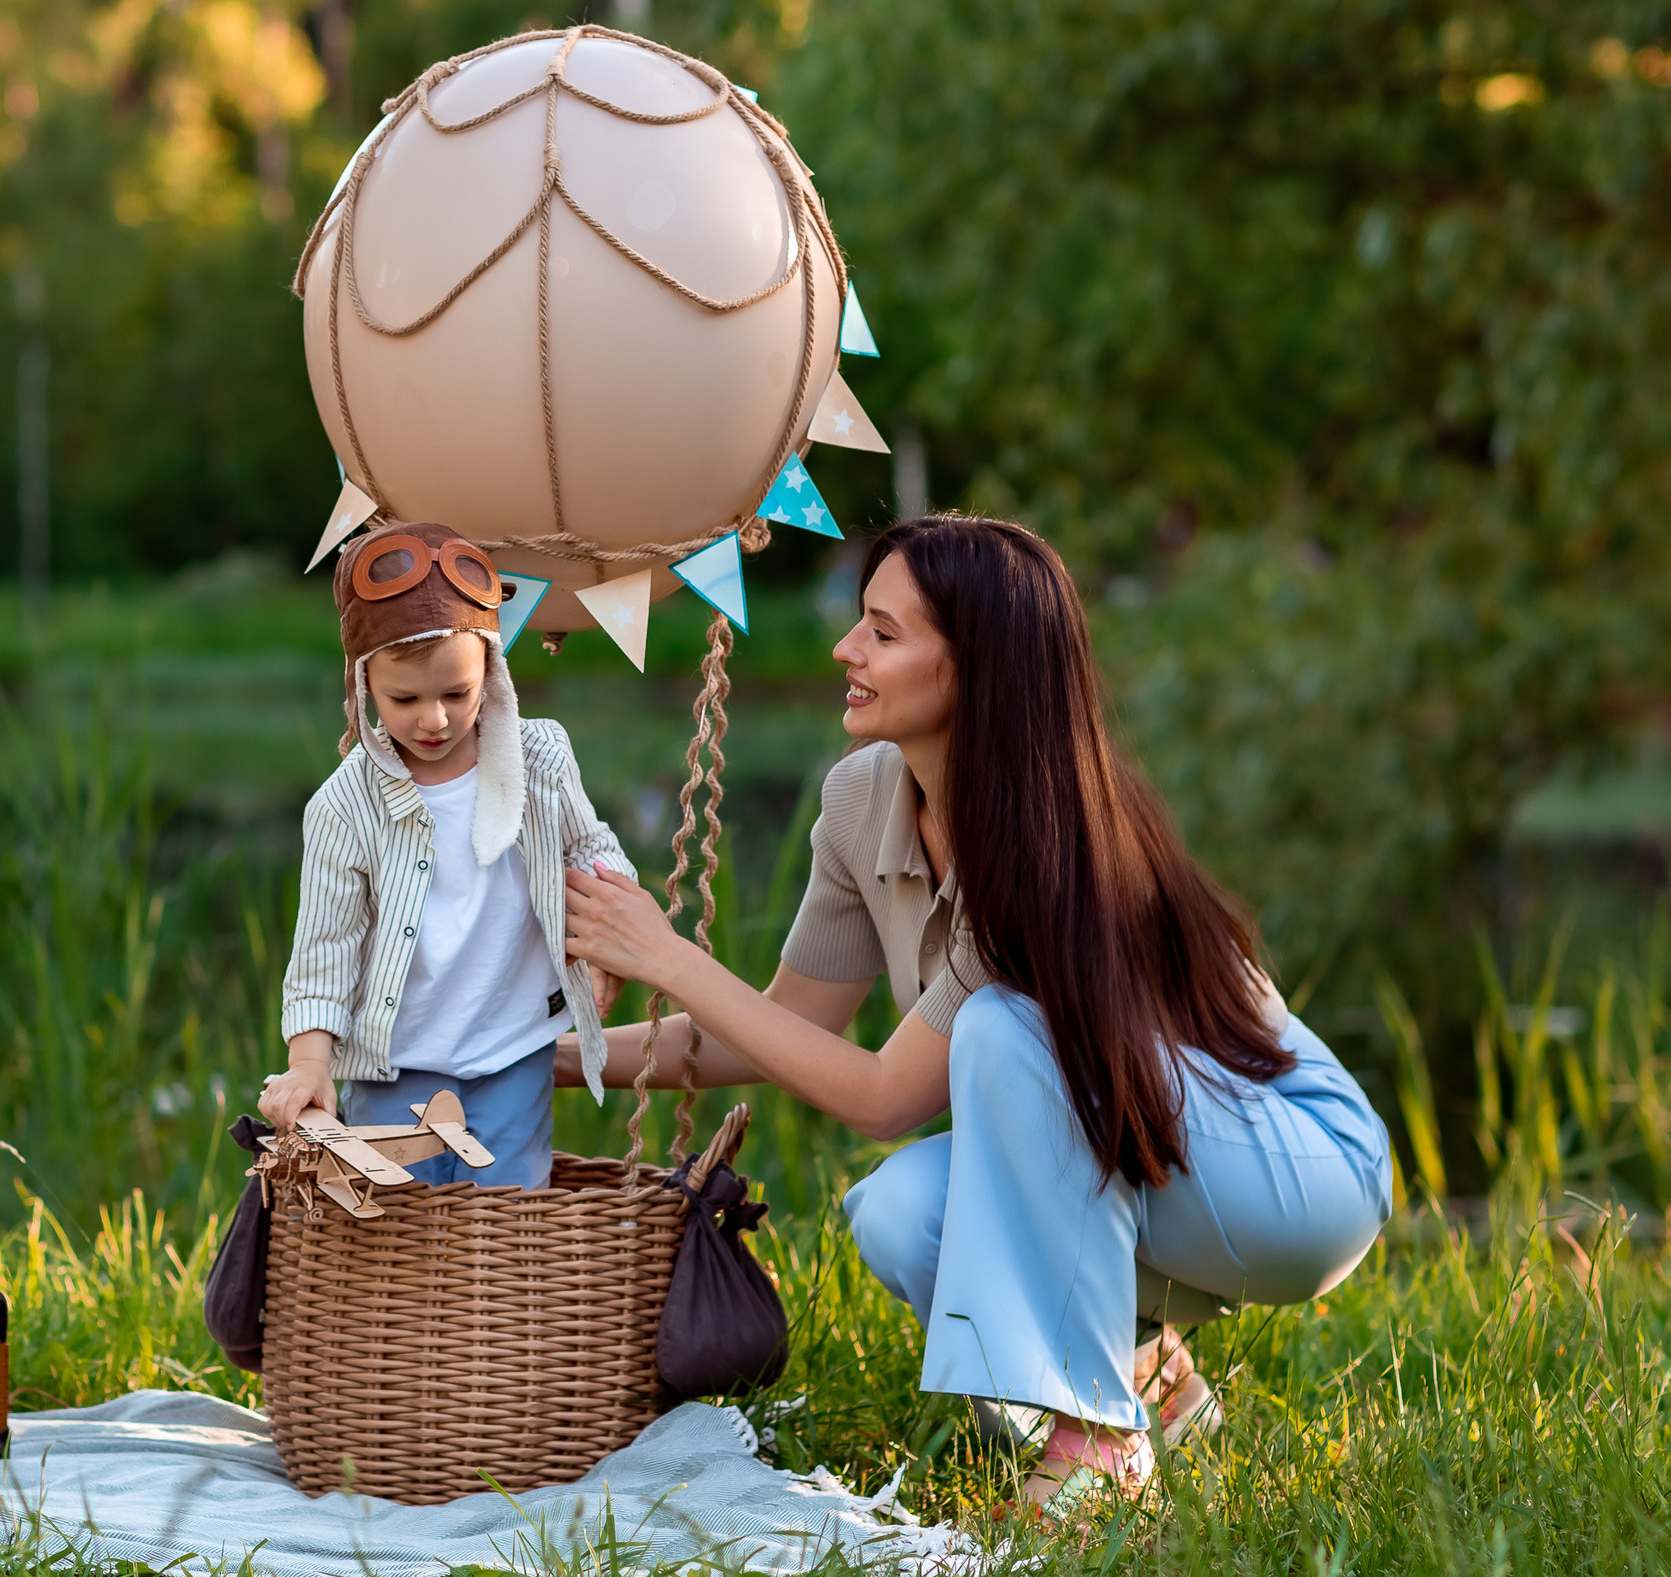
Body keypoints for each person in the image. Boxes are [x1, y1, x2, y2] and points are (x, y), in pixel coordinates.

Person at [558, 514, 1391, 1510]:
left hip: (1289, 1166)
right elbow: (783, 1028)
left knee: (1001, 1029)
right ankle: (1150, 1384)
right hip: (1150, 1147)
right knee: (901, 1214)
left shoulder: (1048, 850)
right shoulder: (865, 797)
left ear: (973, 667)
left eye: (882, 631)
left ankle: (1096, 1455)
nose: (845, 650)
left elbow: (879, 1101)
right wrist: (546, 1058)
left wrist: (668, 958)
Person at [257, 522, 632, 1188]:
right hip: (398, 1061)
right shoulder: (347, 805)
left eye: (456, 694)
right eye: (405, 699)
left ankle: (507, 1297)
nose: (433, 720)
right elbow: (326, 949)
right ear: (364, 682)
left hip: (511, 1048)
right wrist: (310, 1061)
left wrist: (609, 937)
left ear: (490, 667)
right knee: (398, 1227)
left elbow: (588, 844)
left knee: (508, 1216)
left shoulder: (538, 758)